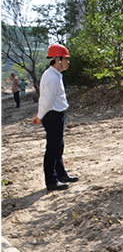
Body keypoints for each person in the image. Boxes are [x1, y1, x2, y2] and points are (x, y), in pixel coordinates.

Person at [32, 44, 79, 191]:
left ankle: (61, 174)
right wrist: (40, 116)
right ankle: (51, 181)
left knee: (58, 146)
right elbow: (46, 100)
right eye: (66, 59)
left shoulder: (54, 74)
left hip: (56, 114)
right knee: (52, 148)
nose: (68, 62)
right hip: (52, 116)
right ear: (58, 59)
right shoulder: (52, 77)